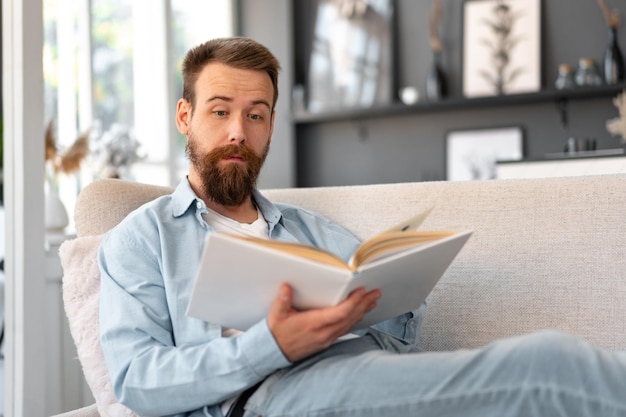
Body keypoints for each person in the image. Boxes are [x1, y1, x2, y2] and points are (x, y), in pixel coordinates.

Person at [98, 36, 626, 417]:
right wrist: (272, 345)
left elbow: (396, 327)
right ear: (185, 116)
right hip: (268, 392)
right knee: (548, 361)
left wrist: (397, 292)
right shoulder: (142, 239)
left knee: (554, 364)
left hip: (363, 374)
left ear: (271, 126)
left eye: (256, 115)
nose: (239, 131)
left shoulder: (311, 230)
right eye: (220, 111)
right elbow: (137, 381)